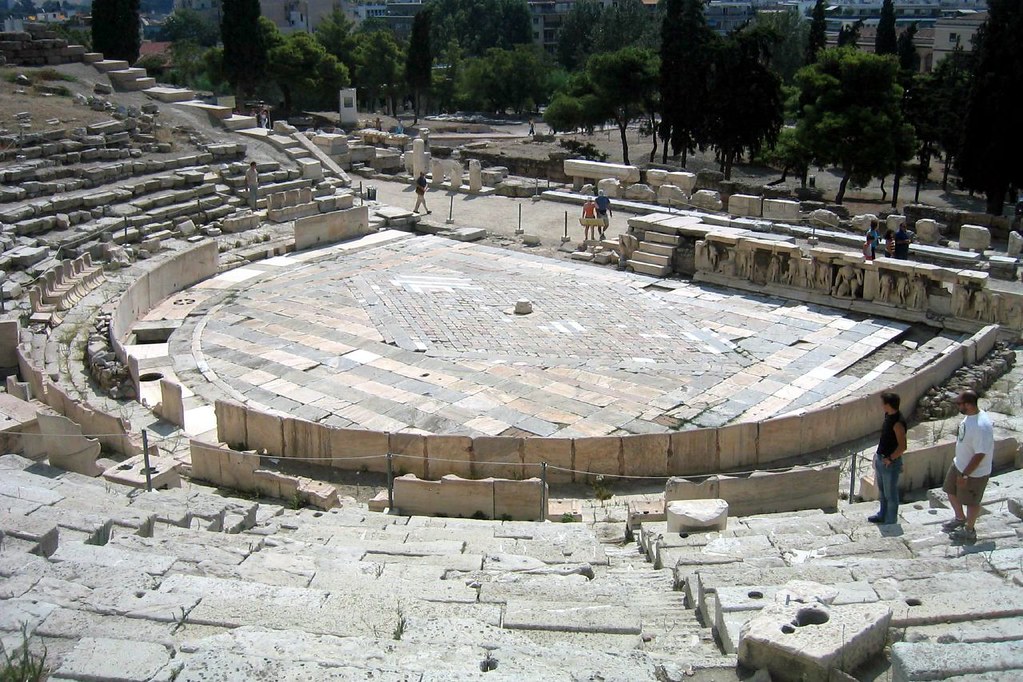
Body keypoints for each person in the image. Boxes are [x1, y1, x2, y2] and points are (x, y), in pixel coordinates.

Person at [941, 390, 994, 544]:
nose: (957, 406)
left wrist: (965, 474)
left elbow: (980, 454)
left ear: (969, 405)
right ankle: (959, 518)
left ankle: (969, 530)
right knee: (950, 490)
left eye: (959, 403)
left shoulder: (981, 426)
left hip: (974, 472)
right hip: (959, 464)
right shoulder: (970, 417)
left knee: (972, 502)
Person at [868, 392, 907, 525]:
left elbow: (902, 446)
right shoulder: (888, 416)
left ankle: (891, 520)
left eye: (883, 403)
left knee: (890, 493)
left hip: (889, 462)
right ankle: (882, 514)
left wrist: (890, 458)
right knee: (883, 491)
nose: (881, 405)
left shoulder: (898, 423)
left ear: (888, 405)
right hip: (881, 458)